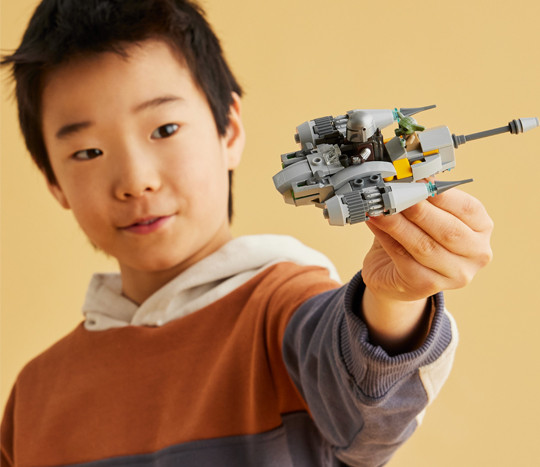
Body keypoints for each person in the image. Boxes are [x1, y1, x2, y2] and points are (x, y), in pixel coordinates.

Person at [0, 0, 493, 465]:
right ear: (53, 181)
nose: (135, 181)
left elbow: (366, 405)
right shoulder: (35, 396)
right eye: (87, 152)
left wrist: (396, 299)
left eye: (164, 129)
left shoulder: (283, 312)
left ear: (229, 129)